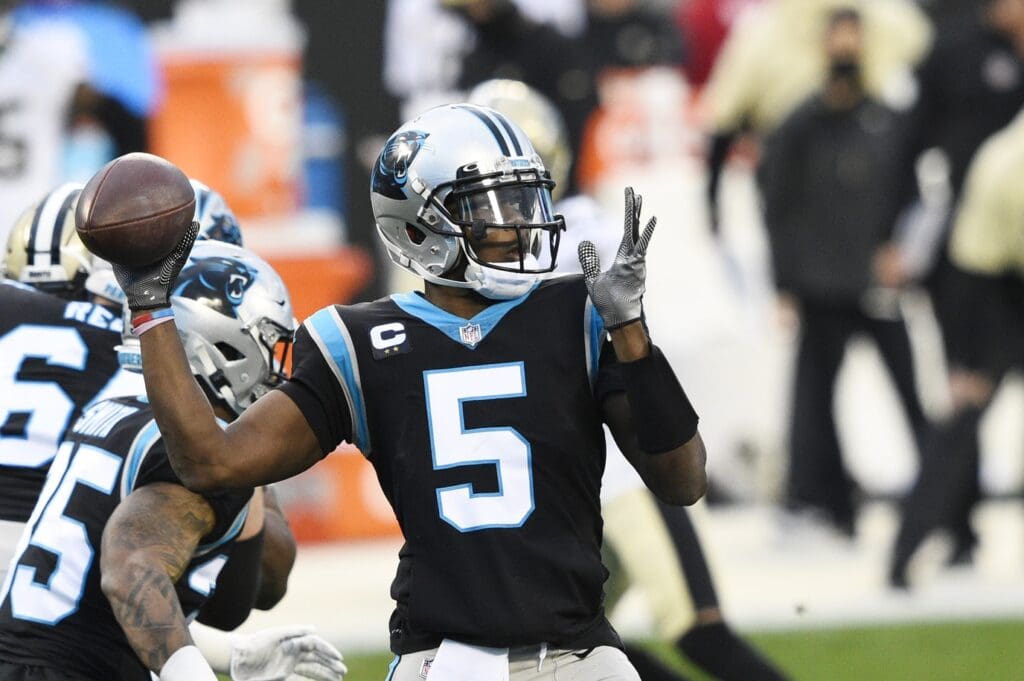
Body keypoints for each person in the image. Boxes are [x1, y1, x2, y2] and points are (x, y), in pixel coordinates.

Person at [106, 104, 707, 680]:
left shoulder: (578, 312)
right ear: (420, 226)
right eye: (493, 207)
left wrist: (632, 333)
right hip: (443, 659)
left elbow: (683, 480)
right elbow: (211, 461)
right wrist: (150, 307)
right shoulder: (357, 342)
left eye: (526, 199)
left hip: (579, 654)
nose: (521, 223)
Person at [469, 77, 789, 681]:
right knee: (567, 648)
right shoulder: (473, 267)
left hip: (624, 470)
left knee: (698, 632)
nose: (497, 209)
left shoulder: (579, 232)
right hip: (558, 484)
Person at [0, 241, 348, 681]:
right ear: (226, 347)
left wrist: (228, 656)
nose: (277, 373)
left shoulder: (110, 414)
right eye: (268, 347)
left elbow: (84, 604)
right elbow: (129, 573)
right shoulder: (197, 459)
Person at [757, 8, 928, 536]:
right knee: (813, 402)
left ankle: (947, 506)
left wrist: (899, 250)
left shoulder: (885, 118)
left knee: (911, 392)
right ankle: (826, 503)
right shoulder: (799, 123)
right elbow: (776, 207)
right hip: (820, 284)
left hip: (874, 283)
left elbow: (910, 194)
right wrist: (783, 284)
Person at [890, 108, 1024, 587]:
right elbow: (978, 269)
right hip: (987, 293)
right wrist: (967, 357)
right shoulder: (1012, 163)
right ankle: (905, 552)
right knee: (961, 421)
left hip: (997, 280)